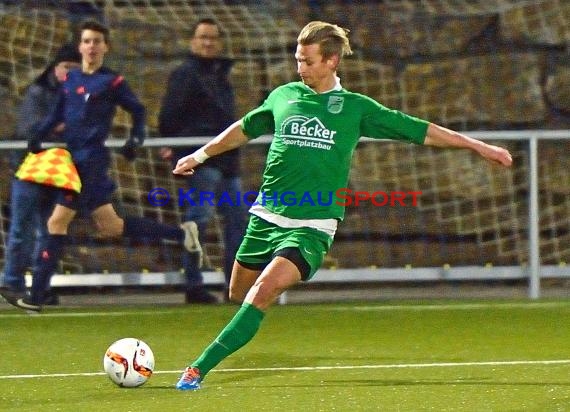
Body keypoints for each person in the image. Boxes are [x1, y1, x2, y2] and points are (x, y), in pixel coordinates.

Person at [171, 21, 513, 390]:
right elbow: (244, 128)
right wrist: (200, 154)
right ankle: (241, 320)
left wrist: (479, 146)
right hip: (266, 217)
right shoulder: (284, 95)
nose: (300, 68)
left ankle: (197, 369)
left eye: (308, 61)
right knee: (238, 294)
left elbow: (422, 130)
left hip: (313, 224)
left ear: (332, 61)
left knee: (262, 292)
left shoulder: (355, 108)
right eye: (298, 60)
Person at [6, 20, 201, 313]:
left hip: (92, 164)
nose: (92, 46)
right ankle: (181, 234)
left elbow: (137, 110)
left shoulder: (112, 82)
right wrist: (38, 135)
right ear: (80, 46)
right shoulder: (70, 80)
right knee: (111, 226)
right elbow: (58, 113)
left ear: (105, 47)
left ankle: (36, 296)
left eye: (97, 41)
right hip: (75, 162)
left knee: (55, 223)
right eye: (87, 41)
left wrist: (136, 139)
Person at [158, 18, 246, 304]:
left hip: (225, 158)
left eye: (212, 38)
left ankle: (233, 285)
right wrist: (173, 143)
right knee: (200, 219)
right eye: (202, 37)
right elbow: (169, 114)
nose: (208, 43)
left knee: (236, 222)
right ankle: (193, 284)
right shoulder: (186, 74)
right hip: (201, 157)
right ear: (193, 41)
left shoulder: (219, 74)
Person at [0, 43, 82, 307]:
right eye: (66, 67)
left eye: (75, 68)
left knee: (48, 230)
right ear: (55, 68)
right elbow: (29, 129)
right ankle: (13, 281)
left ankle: (39, 286)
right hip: (32, 169)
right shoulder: (38, 93)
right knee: (23, 229)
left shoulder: (81, 95)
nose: (70, 73)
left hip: (61, 172)